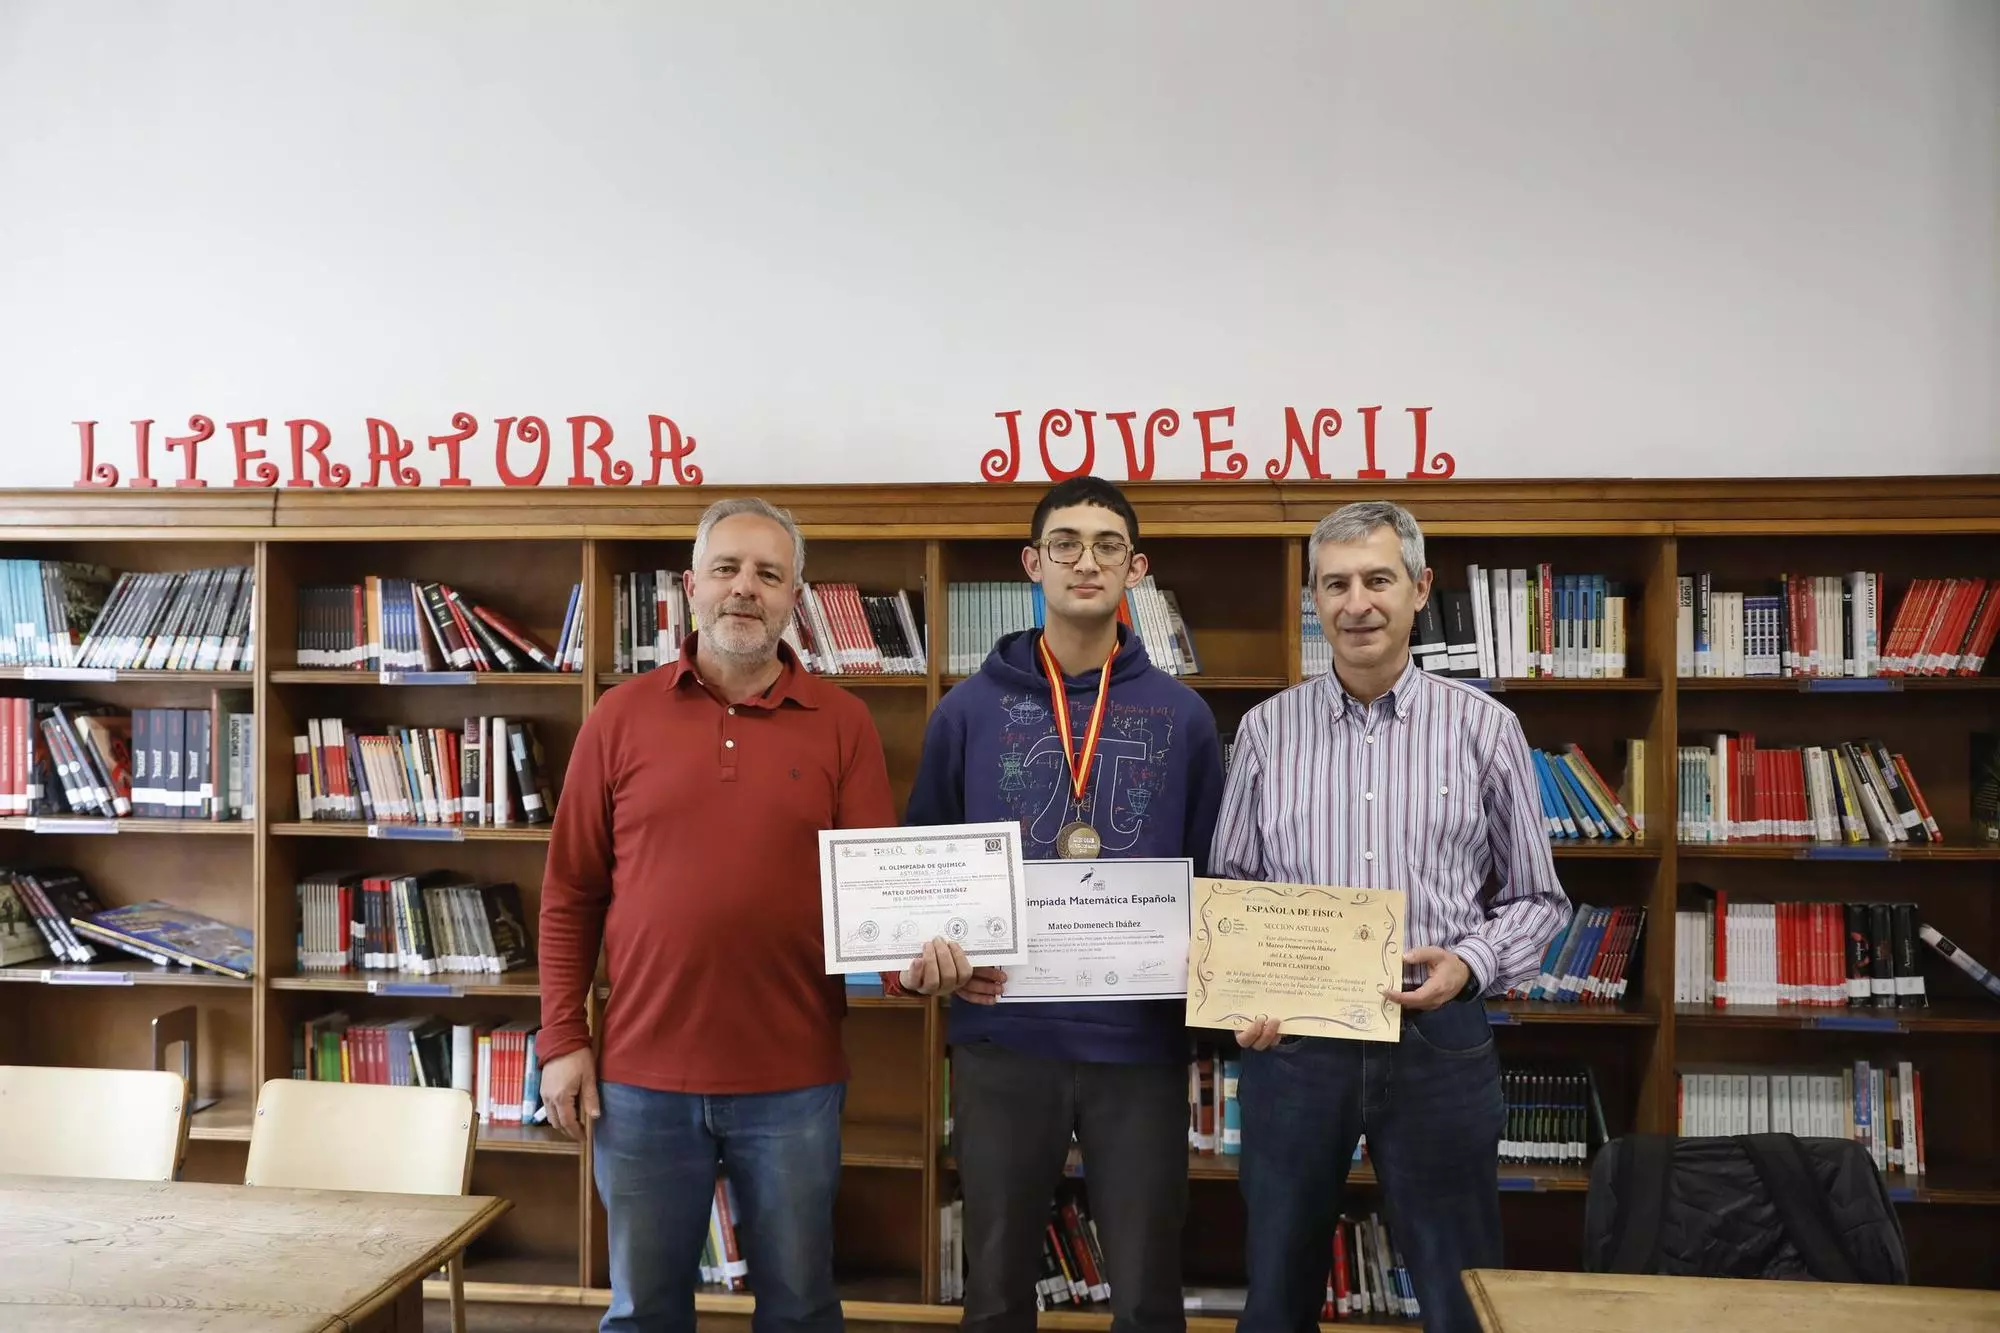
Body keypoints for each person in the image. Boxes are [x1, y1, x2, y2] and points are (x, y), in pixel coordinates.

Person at [537, 496, 979, 1333]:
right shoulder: (618, 716)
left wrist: (912, 970)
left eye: (769, 574)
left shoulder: (843, 723)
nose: (745, 587)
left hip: (793, 1080)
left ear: (794, 598)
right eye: (727, 568)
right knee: (642, 1312)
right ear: (691, 585)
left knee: (801, 1309)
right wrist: (563, 1038)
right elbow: (570, 893)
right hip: (640, 1079)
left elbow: (876, 896)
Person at [1213, 500, 1572, 1333]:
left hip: (1438, 1038)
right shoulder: (1265, 731)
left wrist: (1470, 962)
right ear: (1314, 599)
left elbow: (1538, 897)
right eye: (1335, 584)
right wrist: (1243, 994)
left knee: (1460, 1292)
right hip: (1297, 1045)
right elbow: (1233, 891)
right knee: (1276, 1291)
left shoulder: (1486, 728)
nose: (1357, 603)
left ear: (1419, 588)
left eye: (1378, 579)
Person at [905, 475, 1227, 1333]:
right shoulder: (965, 712)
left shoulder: (1185, 717)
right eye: (1066, 544)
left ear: (1137, 568)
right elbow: (927, 864)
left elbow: (1215, 876)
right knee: (995, 1292)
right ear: (1033, 563)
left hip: (1141, 1045)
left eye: (1108, 545)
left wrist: (1214, 955)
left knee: (1149, 1295)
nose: (1087, 561)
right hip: (1003, 1038)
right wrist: (939, 952)